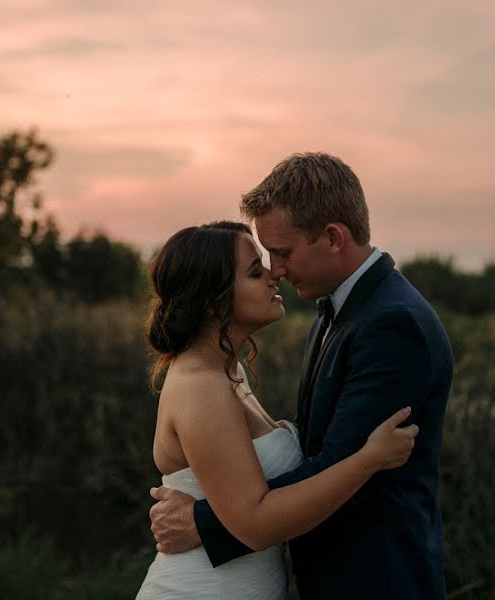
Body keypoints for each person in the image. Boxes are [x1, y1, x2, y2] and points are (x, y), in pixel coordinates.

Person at [148, 153, 454, 599]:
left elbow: (335, 464)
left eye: (282, 253)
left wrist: (203, 521)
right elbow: (324, 460)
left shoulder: (391, 325)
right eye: (261, 264)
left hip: (376, 580)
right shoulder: (336, 314)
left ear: (332, 237)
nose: (275, 270)